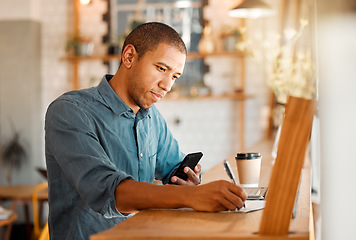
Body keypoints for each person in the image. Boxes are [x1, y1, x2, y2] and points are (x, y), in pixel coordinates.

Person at [45, 22, 246, 240]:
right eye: (162, 69)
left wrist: (187, 180)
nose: (167, 85)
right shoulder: (69, 111)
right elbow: (106, 191)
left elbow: (174, 169)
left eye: (175, 76)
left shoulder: (151, 117)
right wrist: (190, 196)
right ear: (129, 56)